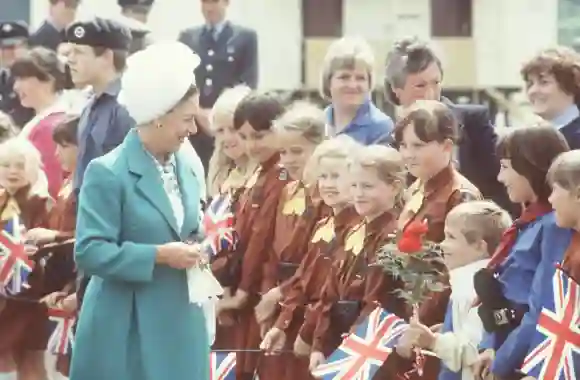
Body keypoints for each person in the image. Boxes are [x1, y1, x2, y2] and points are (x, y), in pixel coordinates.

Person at [70, 41, 209, 380]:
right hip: (127, 324)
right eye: (187, 119)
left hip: (180, 320)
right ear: (159, 117)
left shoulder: (187, 167)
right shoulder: (108, 171)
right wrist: (159, 255)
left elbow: (187, 228)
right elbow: (89, 251)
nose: (193, 130)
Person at [376, 100, 481, 379]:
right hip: (407, 318)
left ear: (447, 146)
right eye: (403, 145)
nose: (407, 154)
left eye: (418, 146)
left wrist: (418, 326)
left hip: (437, 325)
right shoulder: (417, 189)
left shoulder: (461, 196)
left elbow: (453, 273)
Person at [470, 126, 570, 380]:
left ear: (531, 167)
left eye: (505, 167)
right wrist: (491, 346)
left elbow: (542, 308)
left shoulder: (554, 226)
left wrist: (501, 362)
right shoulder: (528, 222)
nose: (500, 178)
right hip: (504, 344)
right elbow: (500, 299)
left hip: (527, 359)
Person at [260, 136, 362, 380]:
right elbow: (302, 281)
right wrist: (281, 325)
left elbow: (331, 293)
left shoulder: (358, 228)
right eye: (323, 176)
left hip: (331, 335)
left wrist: (310, 337)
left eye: (337, 176)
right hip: (306, 329)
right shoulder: (324, 224)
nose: (328, 184)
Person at [383, 36, 514, 216]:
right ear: (396, 91)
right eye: (420, 86)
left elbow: (503, 184)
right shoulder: (391, 142)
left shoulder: (473, 122)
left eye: (436, 83)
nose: (430, 94)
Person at [307, 144, 408, 372]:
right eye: (354, 185)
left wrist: (347, 354)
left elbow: (376, 302)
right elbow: (329, 293)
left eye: (368, 186)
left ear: (394, 187)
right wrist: (319, 346)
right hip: (341, 345)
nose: (358, 194)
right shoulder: (354, 230)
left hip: (368, 353)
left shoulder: (393, 237)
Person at [211, 91, 286, 379]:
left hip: (259, 292)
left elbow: (260, 238)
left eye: (259, 135)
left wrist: (242, 293)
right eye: (246, 136)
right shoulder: (261, 173)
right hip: (245, 287)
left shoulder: (279, 175)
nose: (252, 145)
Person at [254, 102, 329, 379]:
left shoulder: (328, 198)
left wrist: (280, 295)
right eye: (283, 152)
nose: (288, 160)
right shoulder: (288, 192)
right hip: (279, 303)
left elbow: (316, 263)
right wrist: (267, 296)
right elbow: (271, 253)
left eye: (297, 151)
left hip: (306, 303)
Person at [398, 200, 512, 380]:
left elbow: (474, 349)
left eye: (451, 237)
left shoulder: (475, 290)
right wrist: (446, 330)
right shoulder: (465, 283)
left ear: (479, 247)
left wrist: (434, 341)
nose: (442, 245)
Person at [178, 0, 259, 177]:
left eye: (214, 1)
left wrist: (219, 114)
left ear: (226, 3)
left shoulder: (244, 37)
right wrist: (198, 111)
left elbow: (247, 82)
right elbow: (181, 77)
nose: (209, 7)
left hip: (230, 124)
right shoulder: (188, 37)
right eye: (204, 2)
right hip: (195, 123)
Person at [0, 138, 51, 380]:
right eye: (6, 164)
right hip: (3, 297)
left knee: (31, 359)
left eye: (19, 165)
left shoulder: (42, 203)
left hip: (33, 293)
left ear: (32, 168)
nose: (12, 171)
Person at [11, 47, 74, 198]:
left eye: (23, 79)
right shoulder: (49, 120)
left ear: (48, 80)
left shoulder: (49, 128)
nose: (15, 87)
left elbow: (51, 188)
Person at [320, 37, 394, 144]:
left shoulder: (381, 127)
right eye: (344, 77)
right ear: (328, 81)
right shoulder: (319, 123)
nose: (352, 85)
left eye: (360, 78)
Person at [521, 46, 580, 149]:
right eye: (530, 83)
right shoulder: (530, 137)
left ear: (571, 85)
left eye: (544, 82)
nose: (533, 91)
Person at [0, 21, 35, 128]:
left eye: (15, 47)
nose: (9, 53)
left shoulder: (35, 77)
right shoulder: (3, 76)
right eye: (4, 47)